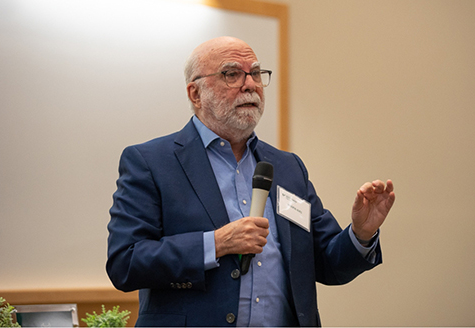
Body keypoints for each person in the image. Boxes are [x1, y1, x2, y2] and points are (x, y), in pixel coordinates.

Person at [106, 36, 395, 327]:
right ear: (196, 94)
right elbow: (125, 263)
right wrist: (215, 244)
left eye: (255, 73)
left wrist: (360, 233)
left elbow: (327, 264)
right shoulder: (151, 162)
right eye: (232, 74)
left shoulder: (287, 167)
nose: (250, 85)